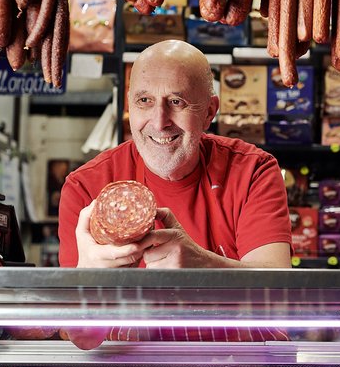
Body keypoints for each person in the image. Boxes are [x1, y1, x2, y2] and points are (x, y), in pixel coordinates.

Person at [58, 40, 292, 268]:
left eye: (176, 102)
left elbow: (277, 289)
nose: (160, 123)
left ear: (209, 112)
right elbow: (70, 303)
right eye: (144, 101)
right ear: (129, 106)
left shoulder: (253, 171)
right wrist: (85, 278)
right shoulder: (85, 186)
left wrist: (204, 265)